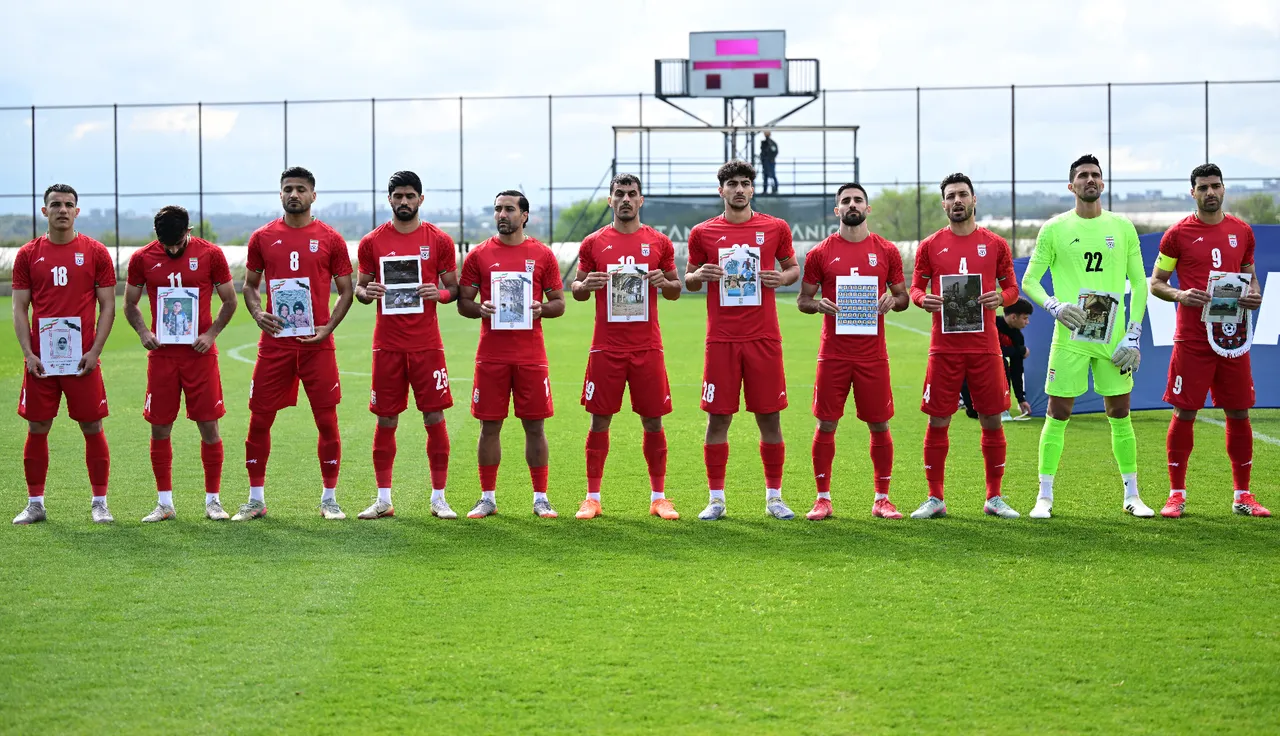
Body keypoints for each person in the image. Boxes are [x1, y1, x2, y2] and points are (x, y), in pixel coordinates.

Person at [1021, 154, 1152, 519]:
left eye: (1095, 175)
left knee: (1120, 411)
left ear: (1103, 184)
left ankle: (1133, 495)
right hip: (1072, 333)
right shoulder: (1054, 229)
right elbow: (1029, 280)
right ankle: (1044, 496)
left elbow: (1140, 283)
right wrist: (1054, 307)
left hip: (1113, 338)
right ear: (1071, 185)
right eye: (1082, 175)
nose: (1089, 180)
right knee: (1058, 411)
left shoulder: (1122, 227)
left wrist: (1134, 333)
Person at [236, 166, 355, 521]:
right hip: (275, 344)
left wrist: (328, 327)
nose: (294, 195)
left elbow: (346, 291)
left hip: (316, 343)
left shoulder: (331, 238)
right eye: (288, 189)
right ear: (280, 194)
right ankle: (255, 499)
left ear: (313, 195)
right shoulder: (262, 237)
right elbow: (249, 285)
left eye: (301, 189)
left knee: (326, 420)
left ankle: (329, 498)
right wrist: (258, 314)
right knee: (259, 419)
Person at [1149, 163, 1268, 518]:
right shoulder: (1177, 235)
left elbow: (1252, 278)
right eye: (1203, 187)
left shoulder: (1242, 232)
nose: (1210, 192)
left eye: (1216, 186)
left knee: (1239, 411)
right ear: (1193, 192)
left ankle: (1243, 495)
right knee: (1185, 410)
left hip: (1233, 337)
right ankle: (1176, 494)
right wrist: (1179, 295)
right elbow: (1156, 282)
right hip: (1192, 338)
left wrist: (1255, 294)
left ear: (1224, 189)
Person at [685, 159, 801, 520]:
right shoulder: (702, 233)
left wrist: (781, 280)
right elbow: (687, 279)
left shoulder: (775, 227)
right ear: (721, 190)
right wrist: (700, 274)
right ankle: (716, 499)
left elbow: (793, 269)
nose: (739, 189)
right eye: (732, 184)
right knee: (717, 419)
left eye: (745, 183)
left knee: (770, 418)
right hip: (721, 340)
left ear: (753, 189)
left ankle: (774, 498)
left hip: (764, 338)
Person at [908, 173, 1022, 519]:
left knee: (992, 419)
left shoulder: (996, 244)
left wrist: (999, 298)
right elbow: (915, 289)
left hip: (985, 348)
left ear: (974, 201)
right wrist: (923, 299)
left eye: (962, 195)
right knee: (938, 419)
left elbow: (1013, 290)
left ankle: (994, 497)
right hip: (944, 348)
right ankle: (935, 498)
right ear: (943, 204)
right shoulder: (929, 245)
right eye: (951, 196)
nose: (957, 201)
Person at [569, 173, 681, 520]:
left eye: (632, 194)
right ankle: (592, 497)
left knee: (653, 421)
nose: (626, 199)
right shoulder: (593, 243)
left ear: (641, 199)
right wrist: (584, 284)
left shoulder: (659, 242)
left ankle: (659, 497)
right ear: (610, 200)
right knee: (599, 420)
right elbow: (576, 289)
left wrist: (666, 283)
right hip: (606, 346)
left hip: (647, 346)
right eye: (620, 194)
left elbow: (676, 289)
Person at [797, 183, 909, 520]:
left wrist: (893, 301)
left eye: (857, 200)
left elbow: (903, 296)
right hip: (833, 353)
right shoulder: (820, 253)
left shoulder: (886, 250)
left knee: (879, 424)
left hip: (872, 354)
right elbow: (803, 299)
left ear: (867, 208)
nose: (852, 205)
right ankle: (823, 498)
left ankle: (882, 499)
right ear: (837, 210)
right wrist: (818, 306)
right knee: (826, 424)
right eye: (845, 201)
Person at [354, 171, 459, 520]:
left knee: (434, 415)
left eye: (410, 196)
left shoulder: (439, 240)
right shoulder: (372, 242)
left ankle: (439, 497)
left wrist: (439, 294)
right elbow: (360, 289)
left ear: (420, 199)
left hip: (427, 345)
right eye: (398, 196)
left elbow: (453, 290)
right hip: (387, 345)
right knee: (386, 419)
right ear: (389, 200)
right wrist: (366, 293)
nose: (404, 201)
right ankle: (383, 498)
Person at [124, 205, 237, 522]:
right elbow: (130, 304)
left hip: (199, 355)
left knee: (209, 426)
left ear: (189, 231)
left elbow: (230, 301)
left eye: (177, 243)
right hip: (162, 356)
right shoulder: (142, 258)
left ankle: (213, 501)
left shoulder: (211, 254)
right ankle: (164, 504)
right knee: (159, 426)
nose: (172, 250)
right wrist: (144, 330)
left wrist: (212, 333)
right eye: (166, 244)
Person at [11, 184, 116, 524]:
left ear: (77, 211)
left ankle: (100, 502)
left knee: (91, 425)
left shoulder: (96, 252)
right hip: (42, 361)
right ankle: (35, 503)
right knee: (38, 426)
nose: (62, 210)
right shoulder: (28, 254)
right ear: (44, 211)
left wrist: (94, 351)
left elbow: (108, 306)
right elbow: (19, 307)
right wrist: (28, 353)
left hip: (82, 361)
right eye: (55, 204)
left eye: (69, 205)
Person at [457, 190, 566, 519]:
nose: (502, 215)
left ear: (525, 215)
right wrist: (481, 308)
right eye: (497, 210)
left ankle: (541, 497)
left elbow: (560, 304)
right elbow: (463, 303)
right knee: (489, 426)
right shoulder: (478, 255)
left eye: (508, 209)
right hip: (491, 355)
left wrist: (540, 309)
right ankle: (487, 497)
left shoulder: (542, 255)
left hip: (531, 355)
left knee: (535, 427)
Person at [960, 298, 1034, 420]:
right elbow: (986, 351)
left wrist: (1021, 399)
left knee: (1002, 362)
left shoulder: (1017, 336)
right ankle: (969, 401)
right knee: (1000, 361)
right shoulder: (990, 325)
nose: (1027, 322)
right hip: (971, 369)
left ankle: (1002, 406)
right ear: (1014, 317)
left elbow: (1016, 369)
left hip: (989, 370)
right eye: (1025, 318)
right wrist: (1019, 351)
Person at [760, 131, 779, 195]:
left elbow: (775, 152)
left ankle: (775, 189)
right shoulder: (764, 143)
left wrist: (770, 158)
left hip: (770, 162)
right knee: (766, 176)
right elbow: (763, 153)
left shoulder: (772, 143)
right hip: (766, 162)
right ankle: (765, 190)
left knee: (772, 175)